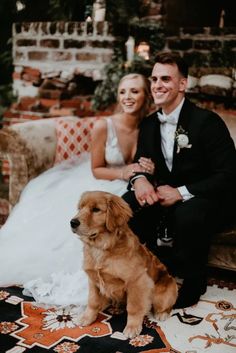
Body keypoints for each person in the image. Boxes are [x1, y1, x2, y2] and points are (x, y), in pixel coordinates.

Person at [0, 73, 154, 306]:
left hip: (132, 184)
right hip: (103, 179)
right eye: (123, 92)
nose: (128, 97)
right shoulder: (104, 125)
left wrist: (149, 168)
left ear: (146, 95)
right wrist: (123, 172)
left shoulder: (150, 126)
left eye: (134, 91)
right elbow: (96, 169)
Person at [123, 52, 236, 309]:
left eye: (165, 78)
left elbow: (229, 175)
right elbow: (142, 162)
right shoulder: (150, 123)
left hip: (205, 197)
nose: (157, 85)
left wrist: (181, 192)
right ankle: (142, 271)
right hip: (162, 192)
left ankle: (194, 283)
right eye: (153, 79)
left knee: (188, 215)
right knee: (125, 205)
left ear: (182, 84)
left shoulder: (207, 122)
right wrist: (139, 180)